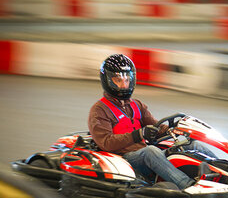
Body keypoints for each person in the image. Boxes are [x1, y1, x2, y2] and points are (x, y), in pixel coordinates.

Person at [88, 54, 217, 189]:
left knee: (191, 144)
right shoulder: (99, 110)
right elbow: (106, 143)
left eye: (127, 79)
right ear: (107, 80)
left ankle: (225, 172)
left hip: (145, 151)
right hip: (123, 158)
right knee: (151, 151)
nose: (124, 84)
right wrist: (139, 134)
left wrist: (173, 130)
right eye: (118, 80)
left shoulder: (136, 105)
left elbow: (155, 127)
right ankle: (188, 186)